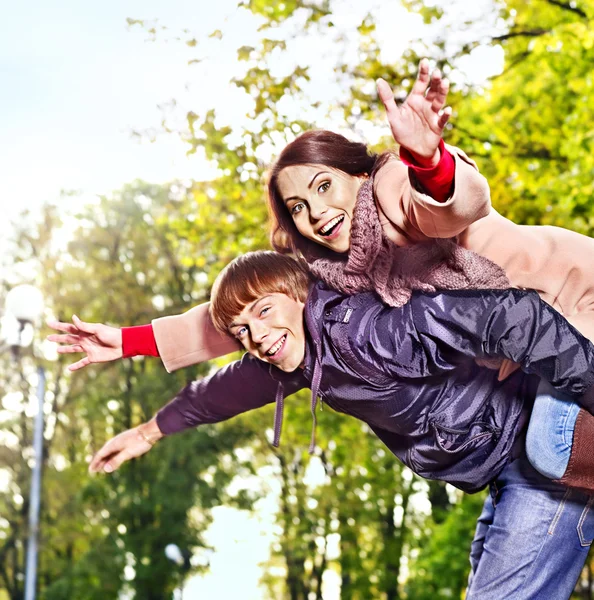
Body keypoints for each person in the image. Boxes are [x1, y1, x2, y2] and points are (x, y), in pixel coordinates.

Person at [50, 59, 594, 489]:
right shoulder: (335, 274)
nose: (315, 212)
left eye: (323, 187)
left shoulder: (391, 188)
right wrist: (127, 342)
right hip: (530, 350)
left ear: (356, 172)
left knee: (549, 444)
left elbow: (454, 206)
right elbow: (244, 319)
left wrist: (430, 160)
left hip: (571, 301)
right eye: (297, 208)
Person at [88, 251, 594, 599]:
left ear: (300, 293)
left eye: (264, 312)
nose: (257, 336)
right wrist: (146, 432)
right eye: (242, 330)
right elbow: (219, 393)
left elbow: (512, 315)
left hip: (544, 457)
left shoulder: (369, 330)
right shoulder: (300, 357)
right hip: (502, 470)